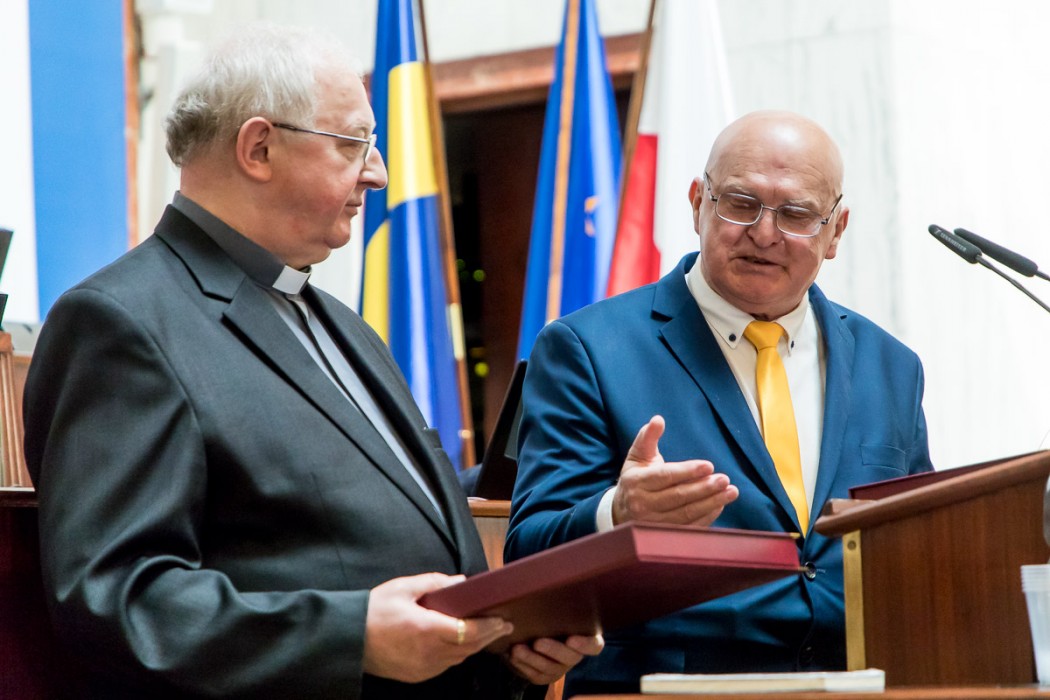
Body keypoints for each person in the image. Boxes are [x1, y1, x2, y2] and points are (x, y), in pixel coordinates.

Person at [23, 23, 600, 699]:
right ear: (259, 147)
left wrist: (501, 650)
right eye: (354, 143)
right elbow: (116, 599)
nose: (378, 173)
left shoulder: (345, 326)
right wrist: (351, 637)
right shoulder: (119, 321)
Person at [505, 110, 933, 695]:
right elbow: (528, 554)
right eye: (740, 203)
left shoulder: (893, 367)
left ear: (836, 232)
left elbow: (916, 543)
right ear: (697, 205)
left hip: (861, 684)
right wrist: (617, 514)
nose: (764, 232)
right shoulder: (587, 348)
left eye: (796, 214)